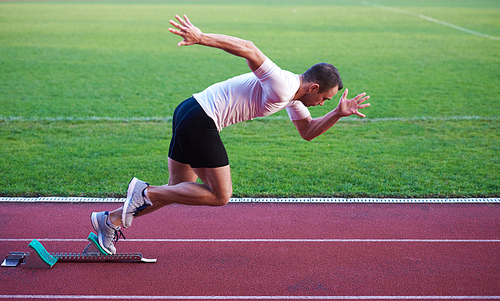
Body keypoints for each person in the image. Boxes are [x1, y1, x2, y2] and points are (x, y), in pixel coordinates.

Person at [90, 15, 370, 254]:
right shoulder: (283, 84)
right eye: (325, 99)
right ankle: (143, 191)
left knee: (178, 190)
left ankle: (110, 221)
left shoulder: (293, 98)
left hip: (189, 110)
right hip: (202, 119)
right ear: (314, 87)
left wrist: (337, 114)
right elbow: (249, 48)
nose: (323, 104)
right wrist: (201, 37)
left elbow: (308, 132)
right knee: (220, 195)